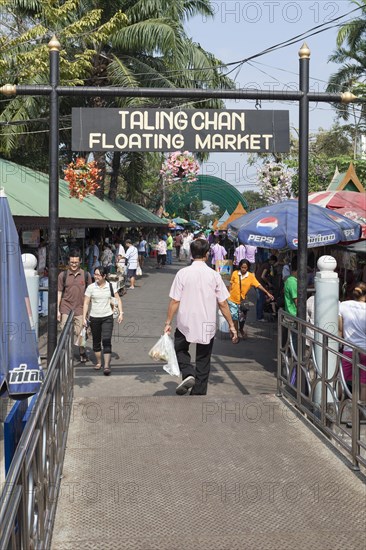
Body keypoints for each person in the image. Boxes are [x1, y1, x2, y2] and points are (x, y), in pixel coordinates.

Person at [164, 238, 238, 396]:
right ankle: (197, 395)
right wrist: (231, 325)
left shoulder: (182, 273)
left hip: (185, 321)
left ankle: (188, 372)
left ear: (191, 253)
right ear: (207, 254)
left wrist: (168, 322)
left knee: (180, 348)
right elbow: (223, 303)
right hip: (207, 323)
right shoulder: (214, 275)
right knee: (204, 360)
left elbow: (175, 300)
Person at [83, 266, 123, 375]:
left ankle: (106, 365)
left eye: (98, 275)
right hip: (94, 317)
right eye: (95, 274)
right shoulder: (91, 287)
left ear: (104, 276)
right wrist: (84, 317)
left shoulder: (110, 286)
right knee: (96, 341)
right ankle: (99, 362)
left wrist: (121, 313)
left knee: (106, 340)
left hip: (107, 317)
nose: (96, 276)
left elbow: (118, 299)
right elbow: (86, 303)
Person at [57, 248, 92, 363]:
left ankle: (82, 351)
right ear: (68, 262)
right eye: (72, 262)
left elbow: (90, 294)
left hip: (80, 308)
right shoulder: (63, 275)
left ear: (80, 261)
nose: (73, 264)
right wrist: (58, 310)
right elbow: (59, 292)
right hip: (66, 307)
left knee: (81, 332)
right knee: (65, 331)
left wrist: (88, 312)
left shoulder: (86, 275)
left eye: (76, 262)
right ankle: (67, 354)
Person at [228, 259, 274, 339]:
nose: (243, 269)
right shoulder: (235, 273)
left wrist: (267, 293)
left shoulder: (250, 276)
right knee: (234, 317)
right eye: (242, 267)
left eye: (245, 268)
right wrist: (228, 294)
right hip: (232, 299)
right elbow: (231, 284)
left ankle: (241, 329)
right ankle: (235, 334)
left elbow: (258, 285)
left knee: (242, 319)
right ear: (240, 267)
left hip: (242, 301)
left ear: (248, 268)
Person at [338, 282, 366, 402]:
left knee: (341, 379)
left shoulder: (343, 305)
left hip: (348, 349)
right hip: (364, 351)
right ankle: (361, 412)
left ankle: (335, 407)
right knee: (364, 383)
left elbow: (340, 330)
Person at [255, 254, 277, 321]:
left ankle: (259, 315)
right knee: (260, 300)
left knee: (259, 300)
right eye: (274, 262)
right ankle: (260, 317)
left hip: (257, 283)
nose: (274, 264)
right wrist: (268, 283)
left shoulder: (264, 264)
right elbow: (263, 276)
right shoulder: (267, 265)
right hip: (260, 284)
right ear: (272, 261)